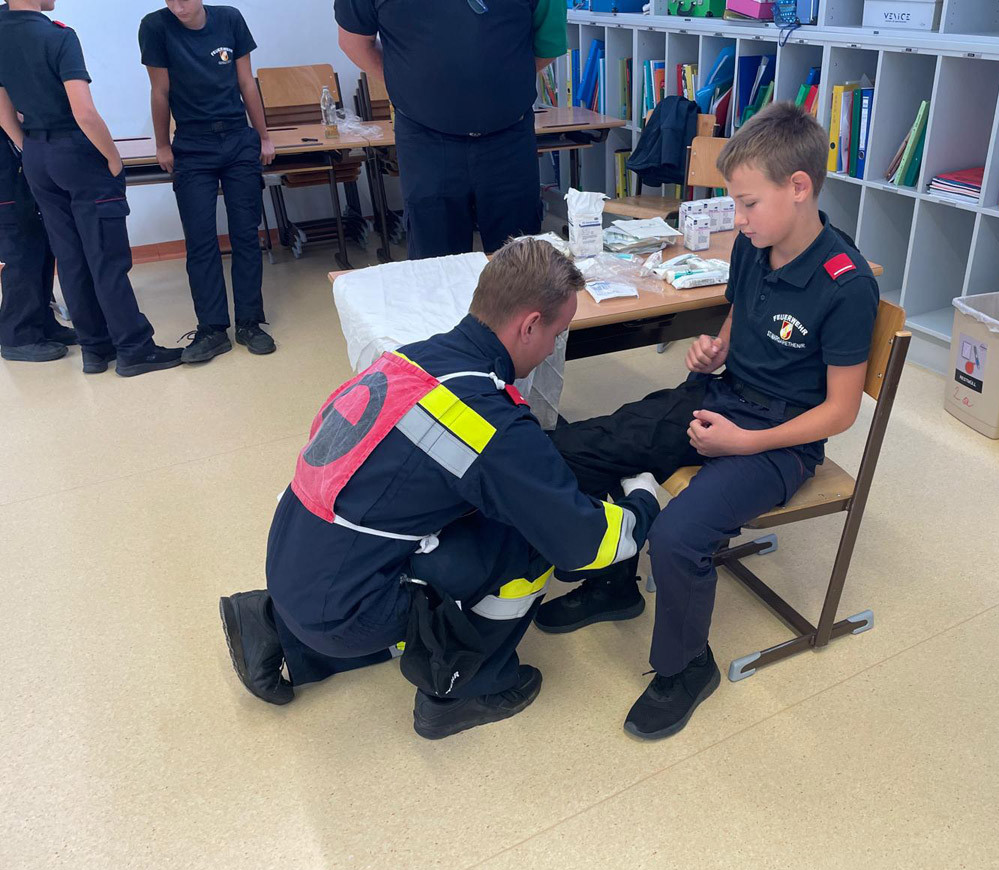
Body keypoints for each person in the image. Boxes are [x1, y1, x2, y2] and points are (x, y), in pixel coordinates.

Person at [220, 240, 660, 739]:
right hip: (341, 610)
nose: (552, 349)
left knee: (455, 526)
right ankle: (468, 689)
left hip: (294, 559)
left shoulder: (413, 358)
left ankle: (271, 624)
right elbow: (582, 542)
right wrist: (643, 502)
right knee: (526, 538)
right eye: (557, 334)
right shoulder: (488, 419)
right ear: (530, 325)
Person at [538, 104, 880, 740]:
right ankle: (614, 583)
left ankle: (687, 668)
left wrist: (747, 442)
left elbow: (840, 411)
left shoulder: (846, 283)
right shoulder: (756, 244)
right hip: (721, 397)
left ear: (798, 187)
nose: (738, 219)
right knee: (580, 450)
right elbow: (740, 313)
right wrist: (717, 347)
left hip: (780, 440)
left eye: (747, 203)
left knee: (679, 537)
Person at [0, 0, 182, 377]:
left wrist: (26, 145)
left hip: (36, 154)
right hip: (75, 152)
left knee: (69, 257)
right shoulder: (58, 36)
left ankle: (95, 349)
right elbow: (83, 112)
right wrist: (112, 158)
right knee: (105, 257)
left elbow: (2, 105)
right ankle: (134, 348)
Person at [333, 0, 567, 260]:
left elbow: (548, 44)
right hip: (426, 142)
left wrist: (500, 80)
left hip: (509, 139)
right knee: (435, 264)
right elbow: (354, 42)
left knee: (521, 265)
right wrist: (411, 84)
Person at [139, 0, 277, 363]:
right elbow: (160, 91)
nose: (177, 6)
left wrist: (263, 136)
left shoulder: (229, 19)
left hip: (237, 138)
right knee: (200, 240)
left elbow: (246, 82)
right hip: (192, 143)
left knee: (245, 234)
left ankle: (249, 322)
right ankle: (212, 329)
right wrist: (162, 144)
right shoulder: (155, 26)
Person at [0, 128, 78, 362]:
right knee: (21, 253)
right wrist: (29, 149)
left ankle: (42, 323)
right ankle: (18, 335)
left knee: (40, 247)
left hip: (14, 167)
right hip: (5, 176)